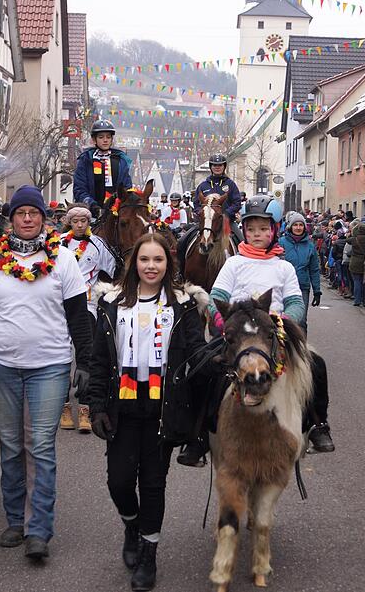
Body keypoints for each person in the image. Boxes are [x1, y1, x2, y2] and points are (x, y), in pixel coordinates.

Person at [0, 185, 93, 559]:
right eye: (21, 213)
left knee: (39, 446)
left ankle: (39, 528)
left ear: (43, 218)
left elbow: (78, 317)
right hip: (0, 366)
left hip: (49, 366)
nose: (27, 219)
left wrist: (86, 362)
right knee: (10, 446)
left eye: (33, 213)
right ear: (11, 219)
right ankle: (15, 522)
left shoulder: (64, 259)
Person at [85, 233, 209, 592]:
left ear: (168, 264)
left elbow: (196, 351)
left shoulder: (182, 304)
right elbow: (100, 358)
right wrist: (96, 406)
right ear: (133, 263)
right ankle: (132, 525)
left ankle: (148, 555)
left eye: (158, 260)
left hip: (163, 406)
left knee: (153, 484)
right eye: (144, 259)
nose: (151, 266)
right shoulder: (112, 302)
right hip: (122, 404)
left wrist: (218, 353)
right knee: (119, 482)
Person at [208, 194, 334, 453]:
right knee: (204, 368)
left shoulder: (284, 267)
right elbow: (216, 297)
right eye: (251, 229)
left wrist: (282, 320)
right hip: (238, 333)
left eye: (263, 228)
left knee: (316, 365)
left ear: (274, 230)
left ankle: (317, 424)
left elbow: (296, 303)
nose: (257, 234)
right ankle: (199, 435)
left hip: (273, 333)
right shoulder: (234, 263)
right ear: (244, 231)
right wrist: (222, 320)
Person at [59, 203, 117, 433]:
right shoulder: (58, 243)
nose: (80, 225)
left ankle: (85, 407)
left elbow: (113, 271)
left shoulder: (98, 244)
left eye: (84, 221)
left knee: (88, 355)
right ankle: (64, 406)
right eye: (75, 221)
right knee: (62, 352)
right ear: (69, 223)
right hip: (60, 305)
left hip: (87, 305)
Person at [73, 119, 134, 215]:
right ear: (94, 139)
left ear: (112, 139)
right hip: (90, 212)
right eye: (101, 137)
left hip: (117, 212)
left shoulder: (121, 161)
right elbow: (79, 189)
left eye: (108, 137)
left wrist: (118, 204)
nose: (105, 140)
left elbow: (127, 187)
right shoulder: (85, 160)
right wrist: (92, 205)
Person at [281, 212, 321, 330]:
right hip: (283, 286)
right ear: (290, 227)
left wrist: (317, 291)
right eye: (295, 225)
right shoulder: (281, 242)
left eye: (301, 225)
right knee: (283, 321)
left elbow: (314, 269)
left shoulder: (310, 245)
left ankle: (301, 342)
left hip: (302, 286)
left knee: (301, 321)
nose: (298, 228)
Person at [192, 155, 242, 220]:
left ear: (224, 167)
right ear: (211, 167)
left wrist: (226, 213)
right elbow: (196, 203)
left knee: (239, 227)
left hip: (227, 219)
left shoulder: (230, 184)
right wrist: (201, 212)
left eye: (220, 165)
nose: (217, 167)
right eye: (214, 165)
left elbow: (237, 203)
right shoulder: (202, 186)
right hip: (206, 220)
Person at [348, 219, 365, 307]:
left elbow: (347, 239)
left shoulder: (354, 239)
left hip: (355, 262)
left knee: (357, 281)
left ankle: (357, 300)